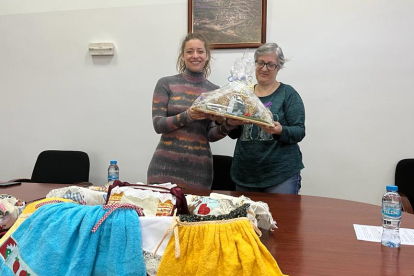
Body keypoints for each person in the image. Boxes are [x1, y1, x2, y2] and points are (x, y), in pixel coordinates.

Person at [147, 33, 234, 189]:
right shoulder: (166, 83)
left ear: (206, 56)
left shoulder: (215, 91)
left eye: (200, 51)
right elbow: (158, 125)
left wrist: (228, 125)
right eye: (190, 51)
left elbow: (210, 135)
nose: (195, 56)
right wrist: (188, 115)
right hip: (163, 169)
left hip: (199, 172)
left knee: (194, 213)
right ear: (182, 56)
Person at [227, 43, 306, 194]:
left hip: (280, 175)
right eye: (261, 63)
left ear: (279, 67)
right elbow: (234, 133)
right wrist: (228, 123)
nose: (264, 68)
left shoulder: (287, 94)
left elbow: (299, 131)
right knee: (246, 218)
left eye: (271, 65)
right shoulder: (243, 94)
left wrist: (279, 130)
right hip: (245, 174)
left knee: (282, 218)